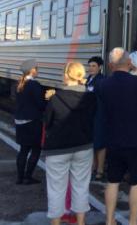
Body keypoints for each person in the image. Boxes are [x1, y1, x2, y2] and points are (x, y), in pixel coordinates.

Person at [97, 48, 137, 225]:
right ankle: (133, 222)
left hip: (114, 141)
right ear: (129, 63)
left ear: (110, 66)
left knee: (112, 181)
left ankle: (109, 220)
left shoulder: (103, 85)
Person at [43, 62, 96, 225]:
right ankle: (80, 223)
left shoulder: (55, 98)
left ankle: (56, 223)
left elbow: (47, 122)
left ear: (66, 75)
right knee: (81, 187)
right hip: (83, 147)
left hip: (57, 150)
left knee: (56, 189)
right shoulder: (91, 97)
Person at [14, 59, 46, 184]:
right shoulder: (34, 85)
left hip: (20, 120)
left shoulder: (19, 83)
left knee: (23, 149)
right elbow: (41, 104)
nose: (38, 71)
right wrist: (47, 99)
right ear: (32, 70)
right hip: (32, 121)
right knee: (36, 149)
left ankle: (19, 178)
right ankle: (28, 177)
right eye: (37, 68)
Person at [85, 56, 107, 180]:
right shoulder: (88, 79)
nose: (91, 68)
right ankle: (94, 165)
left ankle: (100, 169)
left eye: (93, 66)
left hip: (99, 115)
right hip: (90, 115)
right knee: (92, 142)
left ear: (100, 67)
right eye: (90, 66)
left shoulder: (102, 80)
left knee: (100, 143)